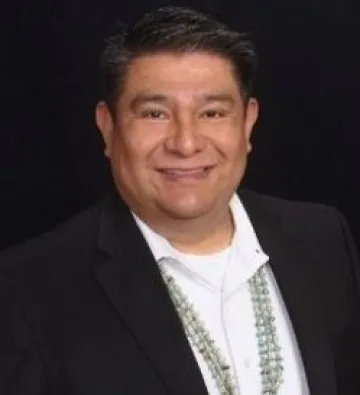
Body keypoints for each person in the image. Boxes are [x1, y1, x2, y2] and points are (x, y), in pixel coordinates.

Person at [1, 5, 360, 395]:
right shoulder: (27, 291)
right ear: (108, 127)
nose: (186, 143)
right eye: (155, 113)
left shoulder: (323, 240)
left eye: (212, 112)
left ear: (247, 123)